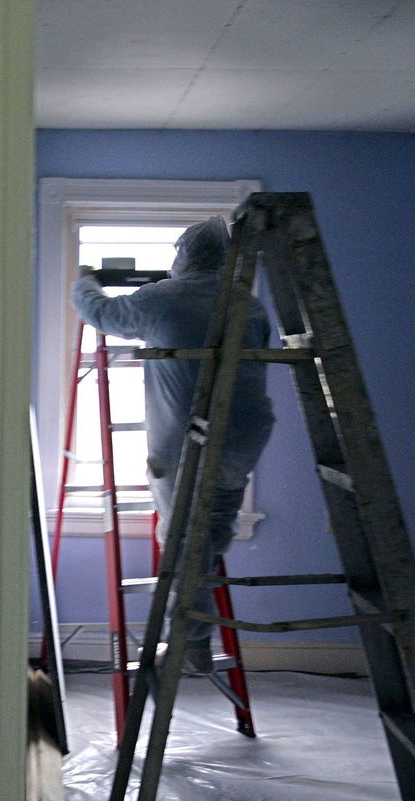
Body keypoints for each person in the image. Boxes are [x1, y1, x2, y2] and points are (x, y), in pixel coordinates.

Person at [72, 217, 275, 675]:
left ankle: (192, 642)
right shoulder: (250, 304)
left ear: (183, 255)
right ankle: (199, 615)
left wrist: (85, 283)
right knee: (212, 525)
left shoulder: (163, 298)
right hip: (245, 432)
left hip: (188, 438)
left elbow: (101, 314)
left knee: (182, 539)